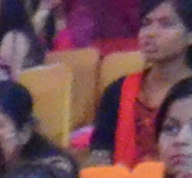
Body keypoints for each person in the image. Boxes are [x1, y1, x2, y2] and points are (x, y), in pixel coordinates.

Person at [79, 0, 188, 160]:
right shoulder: (118, 90)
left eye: (166, 24)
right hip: (124, 175)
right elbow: (100, 153)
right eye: (146, 24)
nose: (150, 33)